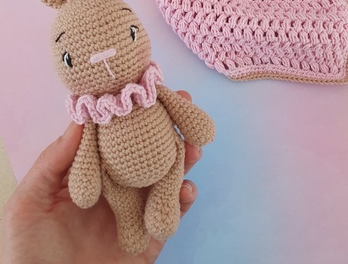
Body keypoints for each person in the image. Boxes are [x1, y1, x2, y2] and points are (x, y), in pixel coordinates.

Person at [0, 91, 202, 264]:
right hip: (118, 180)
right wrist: (84, 179)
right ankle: (131, 220)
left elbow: (177, 107)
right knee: (122, 200)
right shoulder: (94, 114)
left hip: (169, 164)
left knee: (170, 184)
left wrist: (197, 126)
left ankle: (163, 202)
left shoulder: (148, 90)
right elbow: (87, 145)